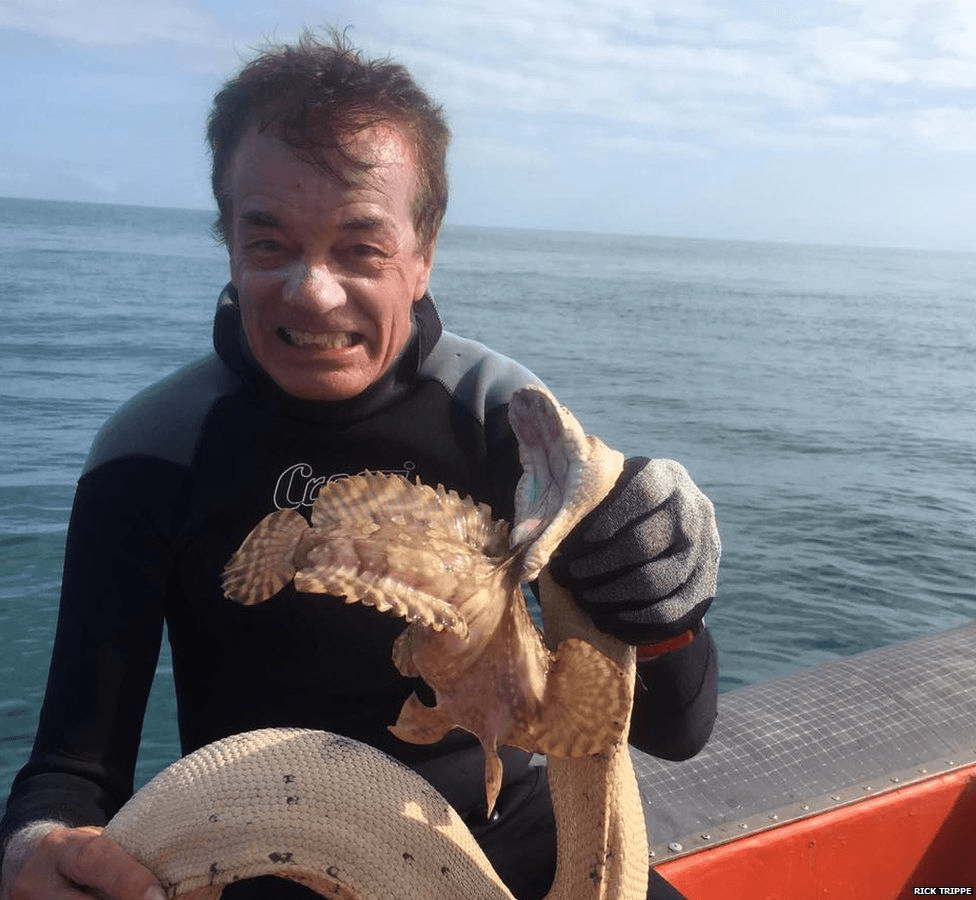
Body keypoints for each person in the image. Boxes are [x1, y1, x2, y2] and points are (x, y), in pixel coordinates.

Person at [0, 31, 720, 900]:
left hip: (516, 839)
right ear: (229, 244)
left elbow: (675, 727)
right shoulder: (152, 452)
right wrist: (36, 848)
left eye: (360, 248)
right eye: (269, 244)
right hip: (270, 858)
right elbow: (73, 769)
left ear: (423, 255)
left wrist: (664, 599)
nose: (312, 290)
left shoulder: (508, 421)